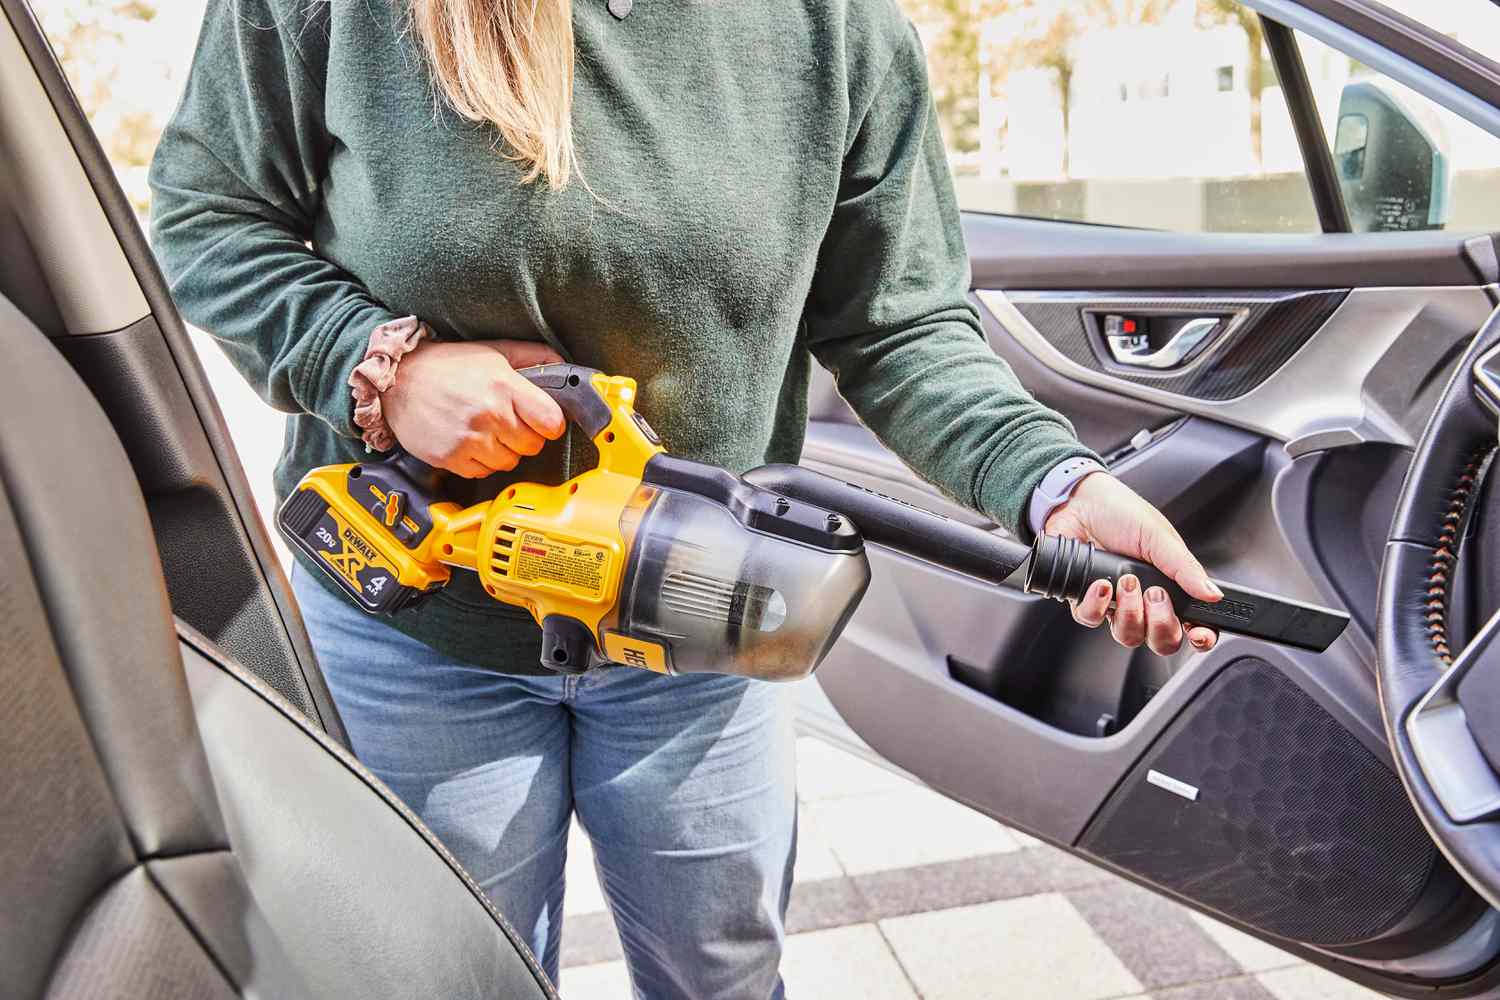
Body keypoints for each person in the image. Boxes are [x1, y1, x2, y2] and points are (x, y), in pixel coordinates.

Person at [148, 1, 1220, 995]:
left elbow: (897, 325)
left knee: (722, 974)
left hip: (699, 620)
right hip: (416, 631)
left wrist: (1052, 484)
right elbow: (204, 215)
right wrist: (381, 367)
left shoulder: (830, 24)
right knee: (442, 977)